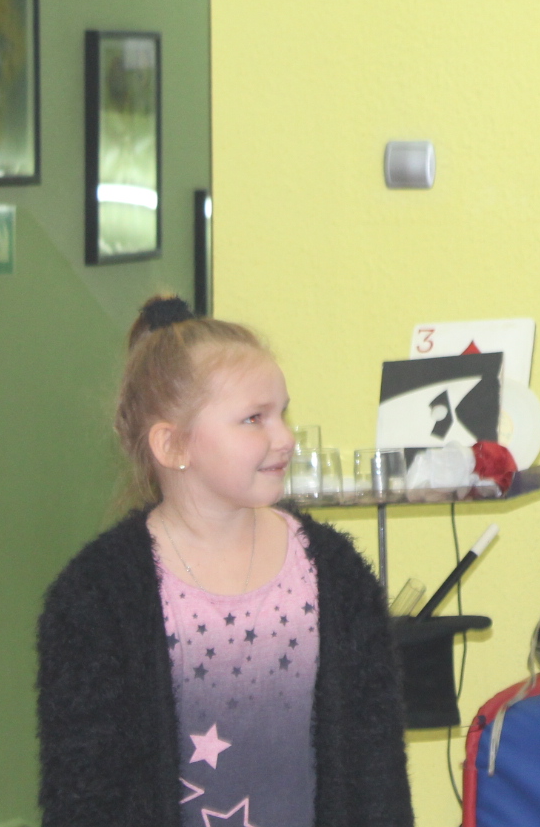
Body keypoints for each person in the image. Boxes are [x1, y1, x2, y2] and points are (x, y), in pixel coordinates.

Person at [36, 296, 412, 827]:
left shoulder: (334, 573)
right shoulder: (96, 597)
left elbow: (379, 774)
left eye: (283, 413)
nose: (285, 438)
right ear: (172, 445)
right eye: (254, 419)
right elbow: (82, 795)